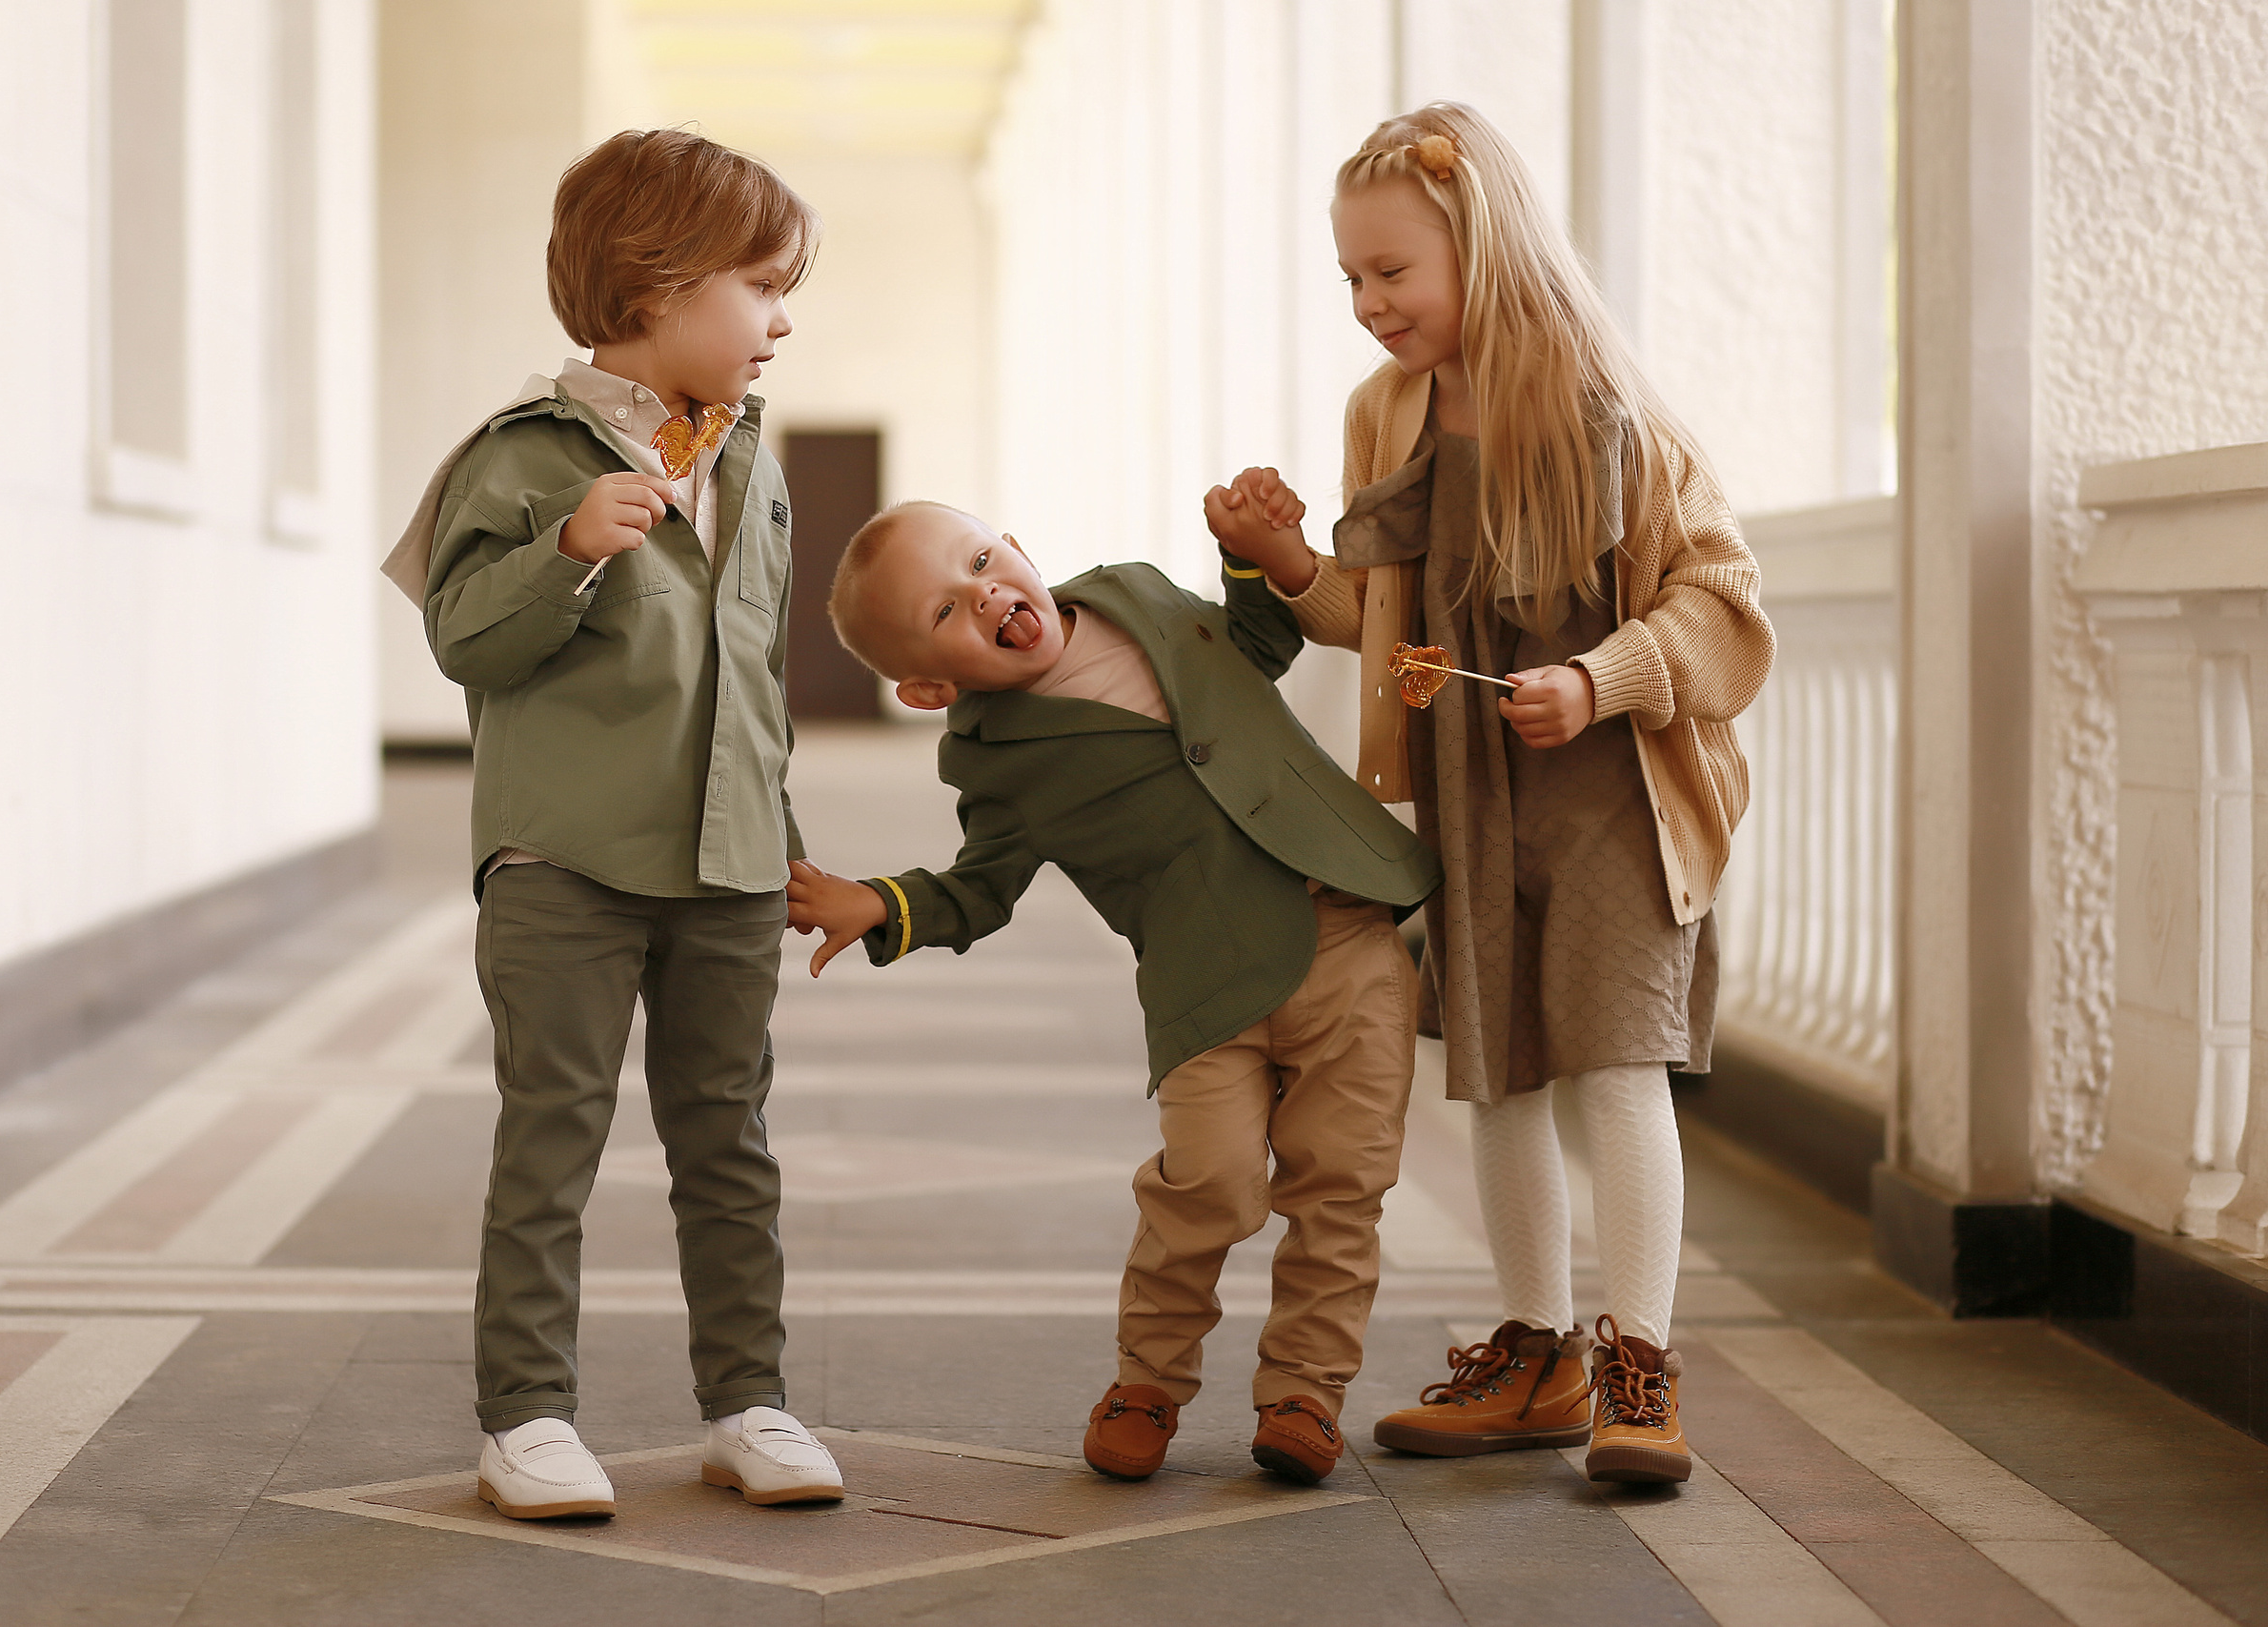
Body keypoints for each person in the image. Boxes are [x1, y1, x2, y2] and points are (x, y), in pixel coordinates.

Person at [1206, 102, 1773, 1485]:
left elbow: (1722, 607)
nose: (1367, 303)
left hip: (1614, 794)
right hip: (1467, 788)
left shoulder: (1615, 413)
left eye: (1392, 271)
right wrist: (1283, 557)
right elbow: (1374, 615)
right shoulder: (1384, 413)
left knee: (1617, 1065)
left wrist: (1601, 679)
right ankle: (1535, 1352)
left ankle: (1639, 1356)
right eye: (1349, 277)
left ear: (1486, 244)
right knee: (1498, 1074)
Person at [379, 129, 843, 1518]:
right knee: (551, 1137)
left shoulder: (752, 458)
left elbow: (749, 667)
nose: (780, 320)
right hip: (563, 864)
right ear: (654, 285)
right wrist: (566, 549)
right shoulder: (519, 457)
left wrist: (783, 834)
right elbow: (465, 640)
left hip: (729, 864)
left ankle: (746, 1398)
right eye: (760, 286)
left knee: (730, 1139)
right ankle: (524, 1414)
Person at [786, 500, 1441, 1485]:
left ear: (1018, 543)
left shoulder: (1137, 594)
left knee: (1341, 1188)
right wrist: (878, 905)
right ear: (928, 688)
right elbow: (981, 887)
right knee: (1207, 1187)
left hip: (1345, 926)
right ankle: (1148, 1381)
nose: (986, 593)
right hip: (1204, 979)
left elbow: (1252, 649)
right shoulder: (993, 757)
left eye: (982, 558)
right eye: (946, 609)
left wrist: (1250, 559)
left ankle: (1305, 1392)